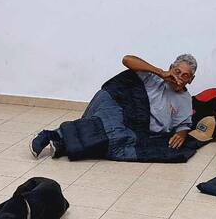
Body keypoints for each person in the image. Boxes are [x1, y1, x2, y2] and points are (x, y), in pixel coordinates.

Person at [30, 54, 197, 158]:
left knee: (118, 141)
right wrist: (159, 72)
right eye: (177, 72)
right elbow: (127, 60)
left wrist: (182, 134)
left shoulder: (184, 99)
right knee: (109, 129)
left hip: (139, 131)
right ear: (171, 69)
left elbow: (183, 124)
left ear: (191, 80)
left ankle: (62, 145)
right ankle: (51, 134)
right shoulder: (152, 77)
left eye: (185, 76)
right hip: (122, 112)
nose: (180, 78)